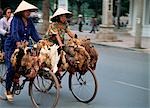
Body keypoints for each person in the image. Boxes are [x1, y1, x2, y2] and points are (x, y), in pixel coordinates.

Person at [4, 1, 42, 101]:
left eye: (29, 11)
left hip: (24, 47)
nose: (28, 12)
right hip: (11, 47)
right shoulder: (15, 20)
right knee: (12, 68)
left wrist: (41, 41)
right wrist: (18, 43)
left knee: (29, 64)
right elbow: (14, 33)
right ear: (21, 12)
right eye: (26, 11)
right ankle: (7, 90)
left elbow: (34, 34)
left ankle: (18, 78)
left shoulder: (29, 21)